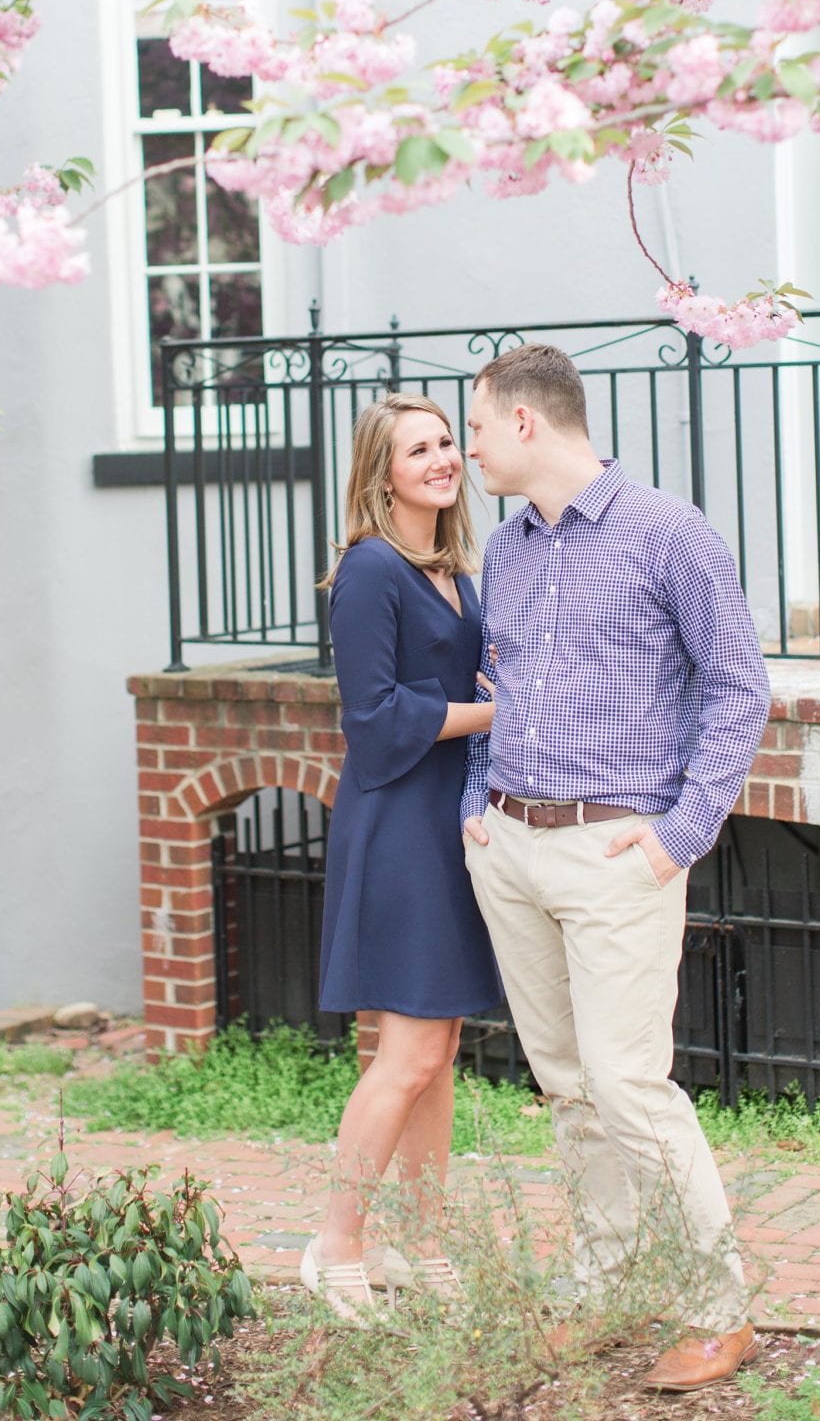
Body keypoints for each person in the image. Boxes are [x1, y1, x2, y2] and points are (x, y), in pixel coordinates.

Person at [460, 342, 770, 1393]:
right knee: (568, 1089)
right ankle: (603, 1291)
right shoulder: (506, 550)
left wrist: (682, 832)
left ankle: (719, 1311)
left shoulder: (670, 534)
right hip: (511, 845)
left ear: (526, 424)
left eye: (475, 428)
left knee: (630, 1086)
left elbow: (737, 688)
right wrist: (476, 803)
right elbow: (492, 680)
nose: (467, 450)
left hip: (616, 851)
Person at [304, 393, 504, 1320]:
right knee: (410, 1048)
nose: (440, 458)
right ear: (382, 473)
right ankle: (336, 1245)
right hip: (397, 826)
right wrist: (497, 713)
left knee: (441, 1049)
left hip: (448, 821)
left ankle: (421, 1240)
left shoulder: (454, 568)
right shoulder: (371, 571)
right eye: (417, 449)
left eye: (445, 442)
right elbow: (375, 719)